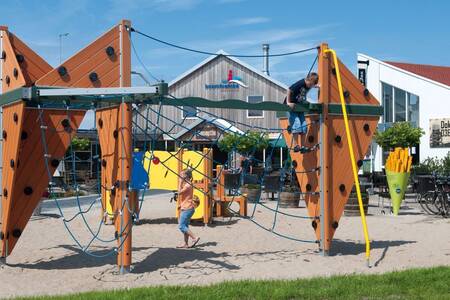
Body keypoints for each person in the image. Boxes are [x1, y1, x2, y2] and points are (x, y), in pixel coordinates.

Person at [284, 72, 319, 152]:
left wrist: (316, 86)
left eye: (312, 85)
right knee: (297, 124)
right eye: (310, 84)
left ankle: (303, 146)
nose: (310, 86)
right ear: (308, 80)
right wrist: (288, 102)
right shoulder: (301, 83)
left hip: (300, 107)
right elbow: (289, 90)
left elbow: (313, 85)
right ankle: (296, 145)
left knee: (303, 127)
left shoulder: (309, 85)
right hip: (292, 107)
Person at [177, 169, 200, 248]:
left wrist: (180, 182)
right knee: (185, 226)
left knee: (181, 226)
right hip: (187, 207)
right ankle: (185, 243)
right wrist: (181, 204)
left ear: (186, 176)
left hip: (187, 208)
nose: (180, 176)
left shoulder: (187, 185)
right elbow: (186, 197)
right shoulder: (188, 184)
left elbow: (179, 192)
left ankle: (194, 237)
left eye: (181, 175)